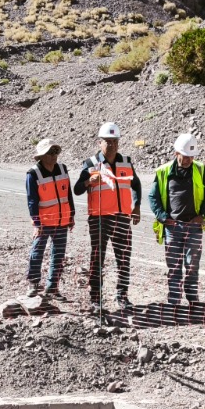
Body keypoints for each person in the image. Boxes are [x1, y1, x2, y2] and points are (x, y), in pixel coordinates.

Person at [73, 122, 141, 311]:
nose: (111, 145)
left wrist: (137, 206)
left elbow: (136, 185)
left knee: (124, 258)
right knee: (97, 259)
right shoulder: (90, 164)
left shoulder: (126, 162)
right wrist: (87, 181)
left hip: (122, 218)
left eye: (114, 141)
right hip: (99, 219)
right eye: (107, 141)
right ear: (99, 143)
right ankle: (96, 298)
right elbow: (77, 189)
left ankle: (122, 296)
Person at [149, 132, 205, 320]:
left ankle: (193, 300)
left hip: (194, 227)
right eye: (185, 156)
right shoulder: (163, 171)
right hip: (172, 227)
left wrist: (202, 215)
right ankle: (174, 302)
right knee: (174, 266)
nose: (188, 160)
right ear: (176, 153)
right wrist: (161, 216)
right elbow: (153, 197)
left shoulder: (200, 170)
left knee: (192, 265)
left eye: (191, 156)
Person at [25, 138, 74, 299]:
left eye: (55, 152)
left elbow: (68, 194)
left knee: (58, 255)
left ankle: (52, 288)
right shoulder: (33, 174)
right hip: (44, 222)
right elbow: (32, 200)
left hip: (61, 221)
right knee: (37, 252)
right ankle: (33, 284)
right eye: (50, 153)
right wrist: (37, 223)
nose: (54, 156)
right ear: (41, 156)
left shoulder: (62, 169)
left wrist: (71, 215)